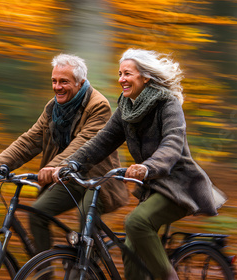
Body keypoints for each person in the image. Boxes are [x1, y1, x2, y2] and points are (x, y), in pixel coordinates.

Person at [50, 49, 226, 280]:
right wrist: (69, 164)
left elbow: (172, 144)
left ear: (145, 77)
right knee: (131, 250)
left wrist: (148, 167)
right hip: (153, 187)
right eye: (120, 73)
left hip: (179, 185)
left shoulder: (168, 104)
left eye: (128, 74)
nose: (121, 79)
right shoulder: (127, 106)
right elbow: (102, 141)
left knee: (136, 222)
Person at [0, 54, 129, 254]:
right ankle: (43, 270)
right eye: (54, 81)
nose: (57, 87)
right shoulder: (53, 108)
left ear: (80, 83)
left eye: (64, 82)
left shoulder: (98, 106)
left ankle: (83, 269)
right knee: (37, 214)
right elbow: (30, 140)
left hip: (96, 180)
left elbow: (82, 143)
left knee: (86, 218)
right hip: (68, 178)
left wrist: (53, 167)